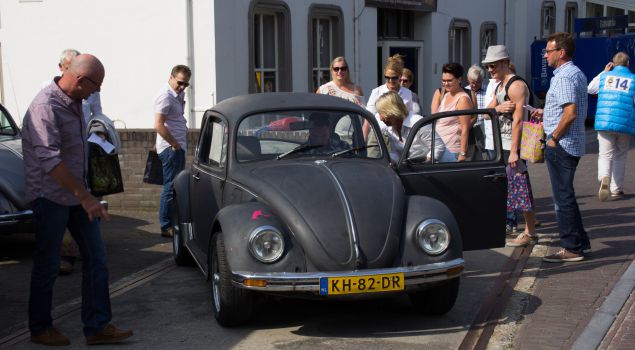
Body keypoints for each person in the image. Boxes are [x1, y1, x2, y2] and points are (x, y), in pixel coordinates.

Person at [22, 54, 133, 346]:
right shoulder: (44, 107)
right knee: (48, 264)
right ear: (81, 80)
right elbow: (50, 160)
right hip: (51, 197)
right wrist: (85, 196)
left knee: (97, 259)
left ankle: (97, 326)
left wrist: (86, 191)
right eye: (95, 87)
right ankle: (40, 328)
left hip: (78, 196)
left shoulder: (76, 103)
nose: (96, 93)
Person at [532, 32, 590, 262]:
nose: (545, 55)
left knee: (562, 198)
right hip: (570, 143)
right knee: (567, 195)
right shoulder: (575, 73)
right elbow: (566, 108)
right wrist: (545, 112)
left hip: (562, 144)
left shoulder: (564, 77)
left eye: (548, 51)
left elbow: (570, 112)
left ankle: (572, 247)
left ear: (561, 53)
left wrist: (554, 137)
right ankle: (579, 242)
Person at [480, 45, 538, 247]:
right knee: (510, 187)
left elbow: (519, 121)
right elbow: (486, 111)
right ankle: (520, 228)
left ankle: (530, 232)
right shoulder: (499, 85)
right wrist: (497, 107)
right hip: (501, 144)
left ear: (505, 63)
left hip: (512, 146)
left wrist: (514, 151)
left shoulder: (515, 86)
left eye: (493, 65)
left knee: (521, 187)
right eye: (488, 66)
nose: (490, 70)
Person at [56, 49, 106, 276]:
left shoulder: (89, 89)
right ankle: (66, 255)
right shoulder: (49, 95)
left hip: (85, 149)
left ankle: (86, 249)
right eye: (67, 66)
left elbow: (98, 114)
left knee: (88, 206)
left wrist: (100, 130)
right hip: (64, 164)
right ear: (62, 68)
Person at [587, 52, 635, 201]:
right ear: (628, 64)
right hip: (624, 124)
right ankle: (616, 189)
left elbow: (590, 88)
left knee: (605, 154)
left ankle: (604, 177)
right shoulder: (633, 79)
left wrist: (604, 71)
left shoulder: (604, 77)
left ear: (613, 64)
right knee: (620, 155)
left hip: (605, 121)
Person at [155, 65, 191, 238]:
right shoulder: (165, 96)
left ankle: (170, 222)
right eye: (180, 83)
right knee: (170, 187)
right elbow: (158, 124)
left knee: (173, 186)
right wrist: (174, 144)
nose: (182, 87)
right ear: (171, 77)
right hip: (172, 149)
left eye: (186, 84)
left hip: (176, 146)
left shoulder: (177, 94)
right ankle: (166, 225)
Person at [374, 91, 446, 163]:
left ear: (393, 110)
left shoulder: (418, 123)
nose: (381, 118)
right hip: (417, 170)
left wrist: (425, 162)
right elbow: (397, 154)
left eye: (383, 113)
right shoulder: (389, 129)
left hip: (443, 167)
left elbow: (438, 147)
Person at [433, 63, 472, 162]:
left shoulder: (463, 99)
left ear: (459, 79)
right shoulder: (446, 95)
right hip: (440, 149)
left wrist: (463, 153)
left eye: (449, 80)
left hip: (452, 151)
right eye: (443, 80)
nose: (446, 84)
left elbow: (465, 129)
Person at [465, 64, 488, 160]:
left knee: (486, 156)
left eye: (477, 82)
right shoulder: (464, 92)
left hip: (484, 128)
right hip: (470, 128)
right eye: (472, 82)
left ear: (482, 80)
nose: (473, 85)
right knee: (470, 157)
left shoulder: (488, 91)